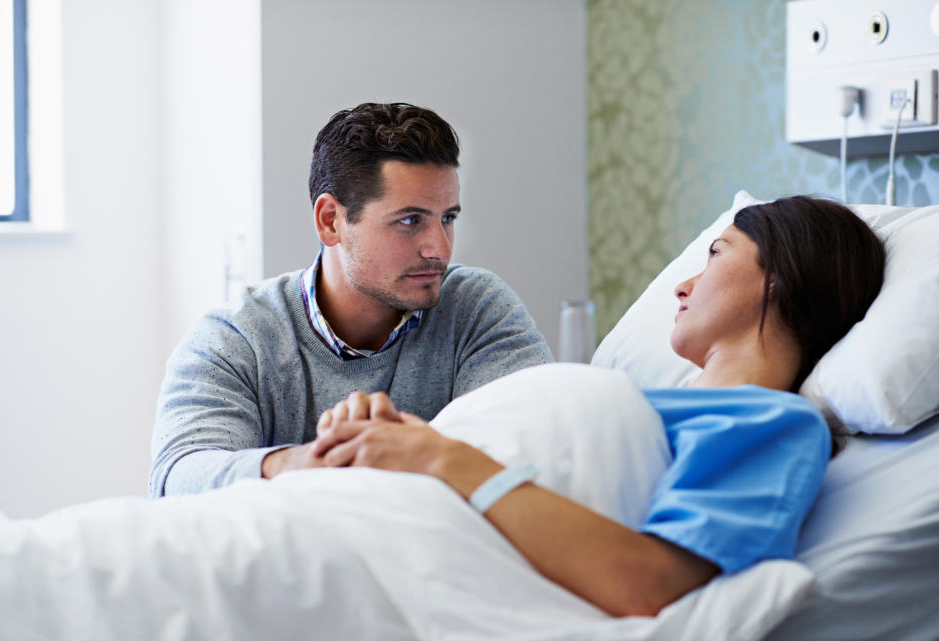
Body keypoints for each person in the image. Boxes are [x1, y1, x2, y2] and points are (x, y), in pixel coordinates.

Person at [308, 195, 886, 618]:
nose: (683, 285)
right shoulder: (634, 395)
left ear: (780, 278)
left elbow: (651, 583)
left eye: (715, 254)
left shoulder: (772, 423)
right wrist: (388, 441)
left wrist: (440, 458)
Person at [150, 103, 552, 497]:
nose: (439, 248)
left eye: (447, 218)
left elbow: (539, 456)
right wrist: (308, 461)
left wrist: (406, 449)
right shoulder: (236, 339)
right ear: (330, 221)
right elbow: (177, 479)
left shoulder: (477, 309)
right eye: (410, 221)